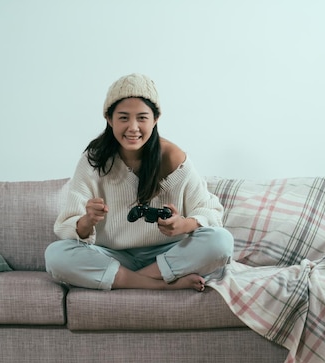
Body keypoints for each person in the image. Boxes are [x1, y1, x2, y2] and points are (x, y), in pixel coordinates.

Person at [45, 73, 233, 292]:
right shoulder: (93, 161)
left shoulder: (173, 157)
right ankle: (162, 285)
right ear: (109, 119)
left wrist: (185, 224)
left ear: (155, 120)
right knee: (56, 255)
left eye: (142, 118)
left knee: (221, 241)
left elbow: (211, 212)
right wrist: (88, 220)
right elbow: (66, 227)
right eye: (123, 118)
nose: (133, 127)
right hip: (114, 256)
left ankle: (131, 281)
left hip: (167, 255)